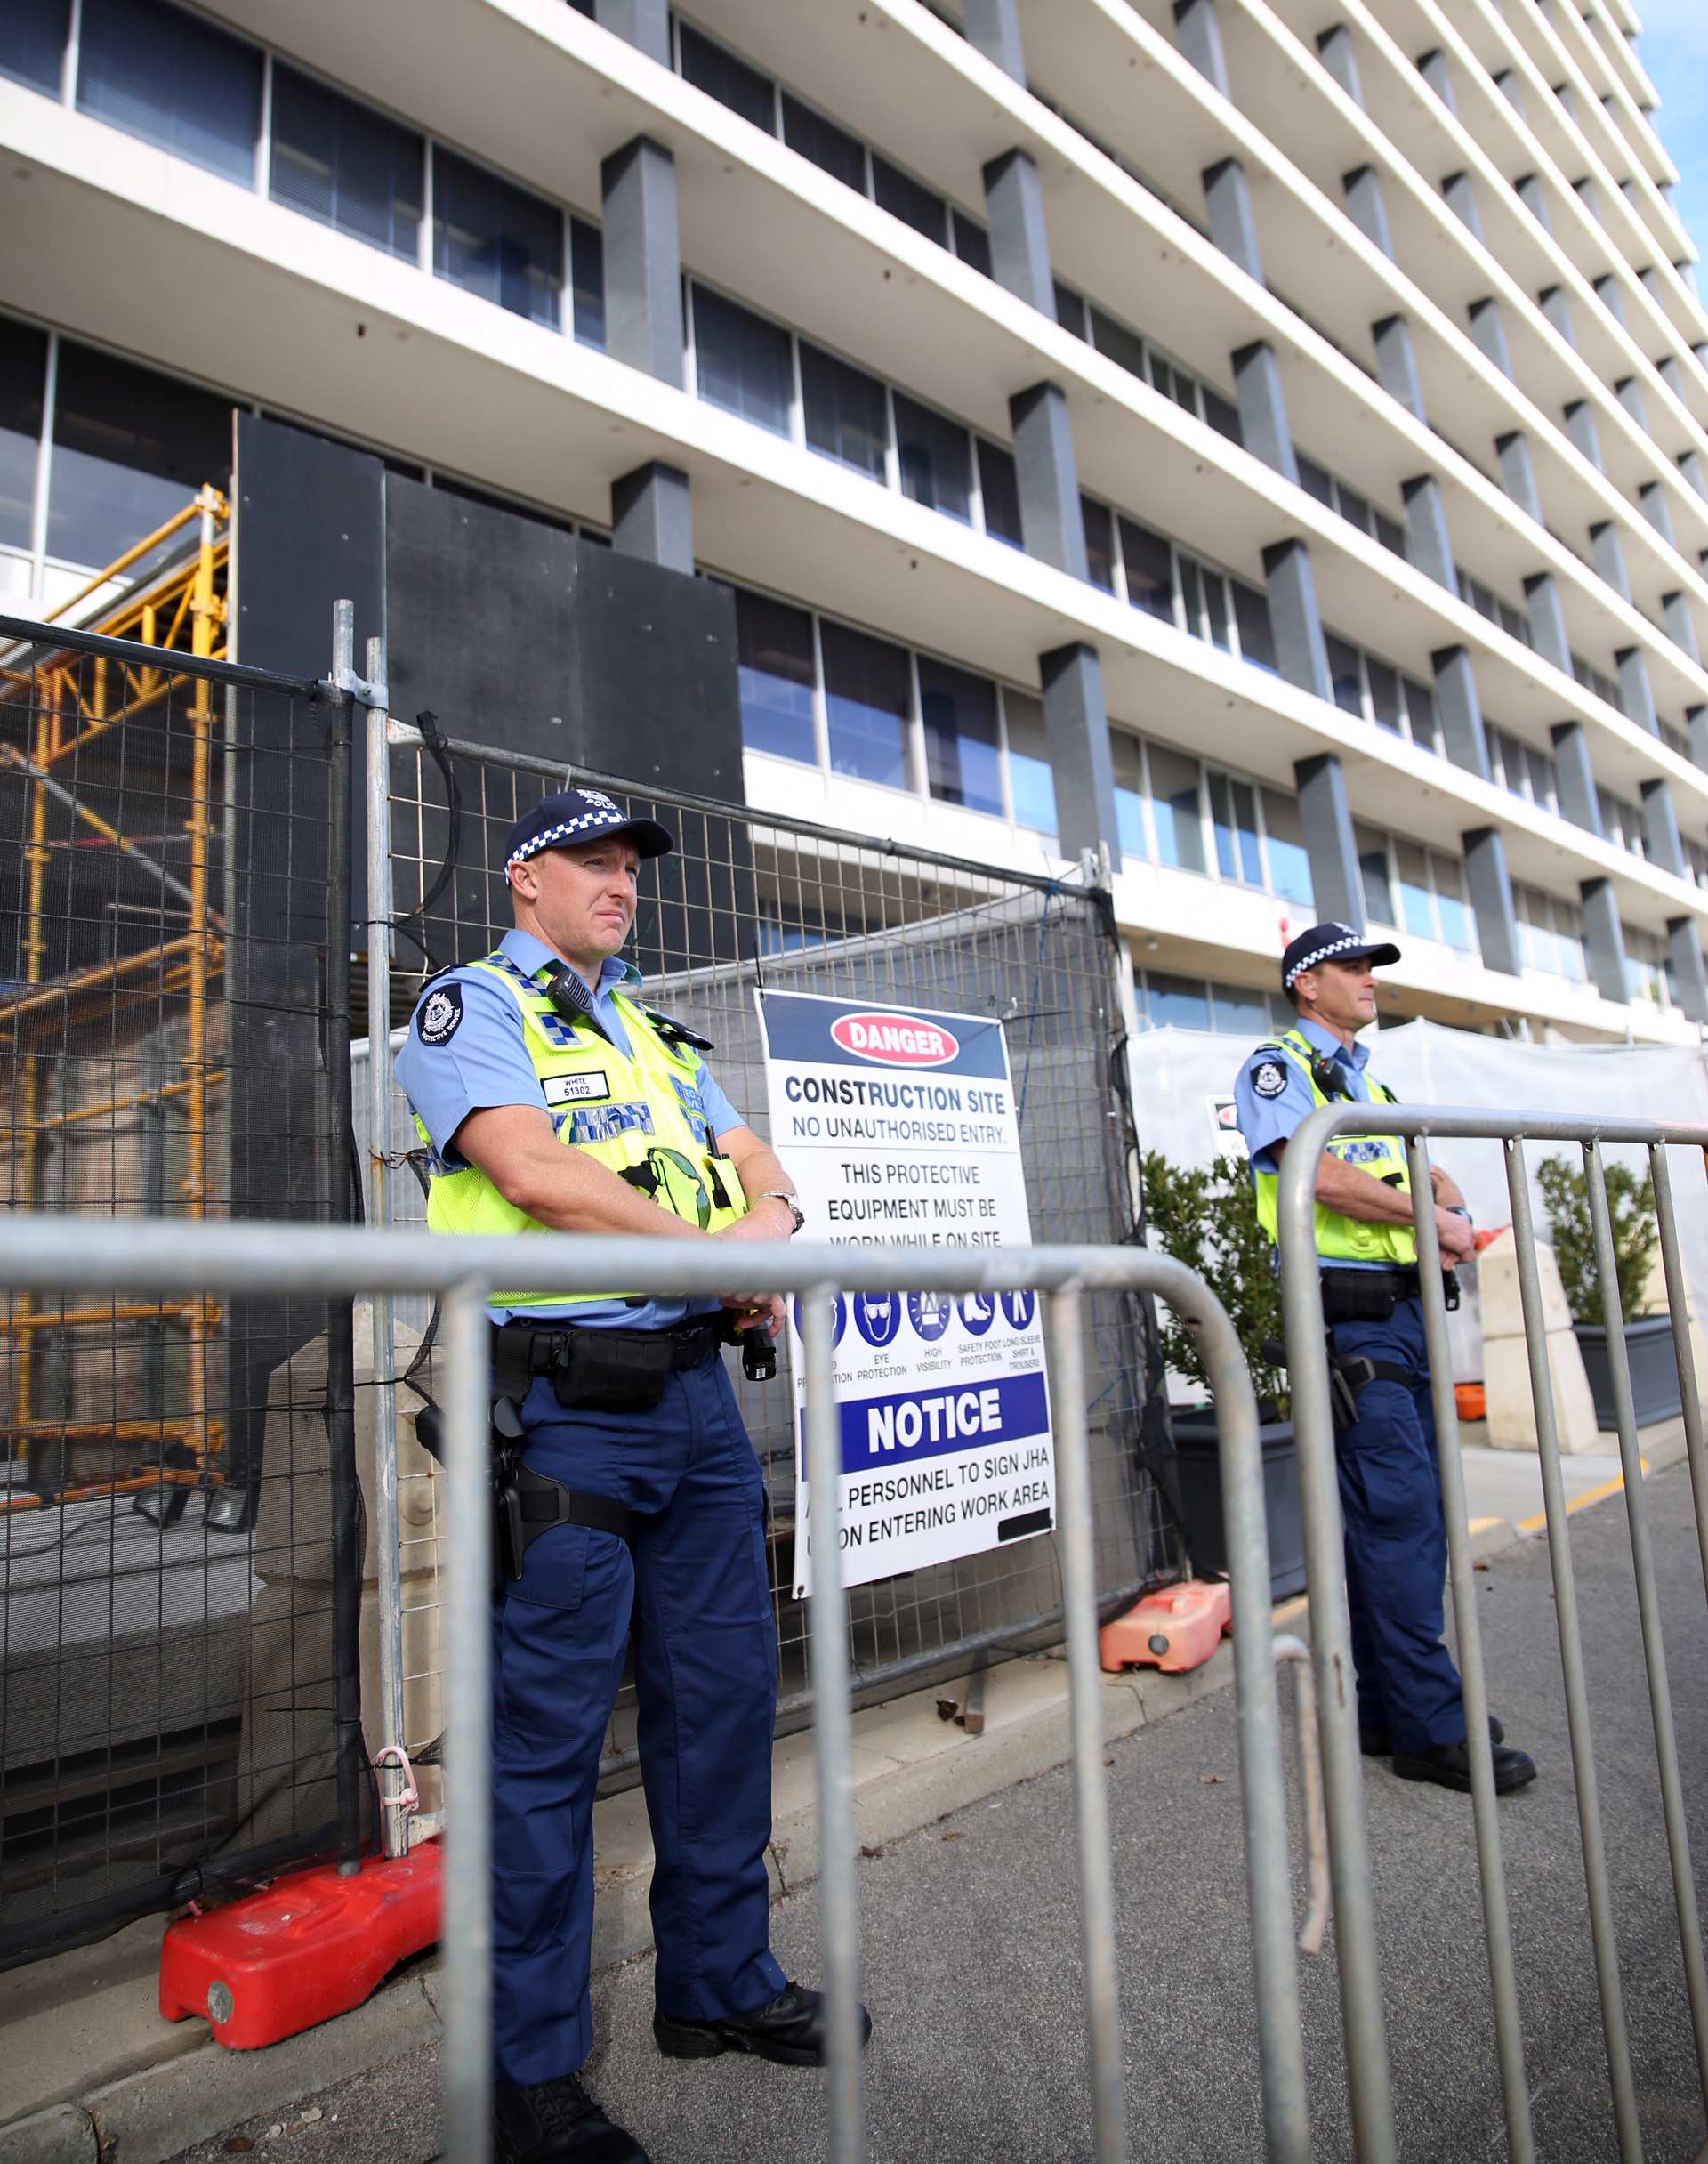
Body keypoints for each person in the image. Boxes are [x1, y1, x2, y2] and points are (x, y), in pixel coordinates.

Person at [397, 786, 870, 2164]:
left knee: (722, 1705)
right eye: (589, 861)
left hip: (698, 1404)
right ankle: (524, 2073)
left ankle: (715, 1986)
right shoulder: (470, 1007)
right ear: (521, 877)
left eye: (630, 864)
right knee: (544, 1748)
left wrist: (768, 1225)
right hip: (567, 1407)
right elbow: (534, 1173)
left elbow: (751, 1156)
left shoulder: (655, 1027)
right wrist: (715, 1254)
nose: (619, 882)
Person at [1232, 922, 1536, 1797]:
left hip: (1401, 1317)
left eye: (1371, 967)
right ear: (1305, 984)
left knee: (1395, 1516)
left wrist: (1440, 1204)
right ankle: (1433, 1729)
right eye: (1352, 967)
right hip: (1352, 1321)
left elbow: (1431, 1177)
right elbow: (1313, 1170)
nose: (1369, 979)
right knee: (1400, 1517)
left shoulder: (1372, 1077)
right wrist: (1421, 1213)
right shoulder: (1277, 1066)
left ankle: (1385, 1709)